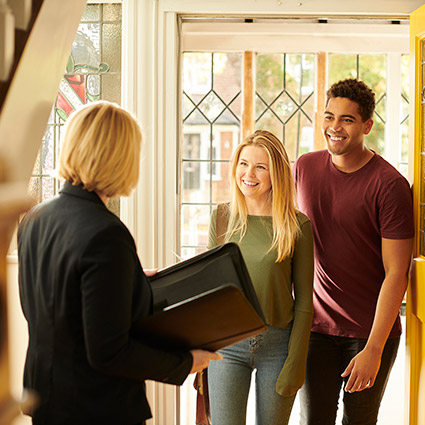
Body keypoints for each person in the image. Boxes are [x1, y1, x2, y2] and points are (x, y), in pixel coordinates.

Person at [17, 101, 221, 425]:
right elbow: (108, 352)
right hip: (96, 409)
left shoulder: (35, 219)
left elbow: (54, 301)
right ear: (121, 158)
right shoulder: (106, 234)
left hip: (47, 400)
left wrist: (126, 279)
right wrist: (185, 363)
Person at [294, 78, 414, 425]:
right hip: (316, 329)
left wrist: (373, 349)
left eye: (346, 119)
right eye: (329, 116)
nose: (334, 127)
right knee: (313, 420)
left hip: (369, 332)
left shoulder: (389, 186)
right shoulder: (305, 167)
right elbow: (286, 234)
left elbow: (397, 272)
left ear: (367, 126)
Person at [206, 130, 314, 425]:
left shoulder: (297, 225)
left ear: (275, 173)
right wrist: (203, 352)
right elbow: (209, 293)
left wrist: (296, 361)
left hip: (278, 345)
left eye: (260, 166)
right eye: (243, 163)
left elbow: (305, 301)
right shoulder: (222, 218)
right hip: (228, 346)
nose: (248, 174)